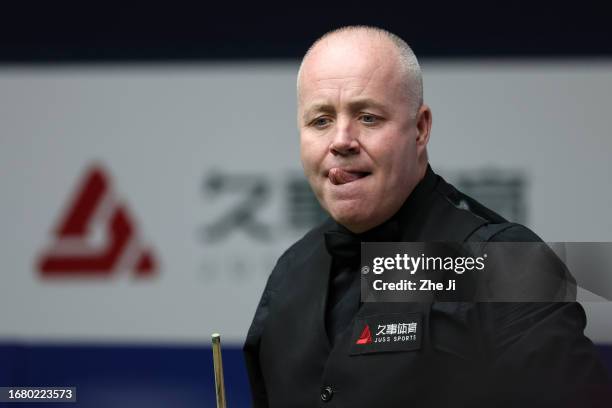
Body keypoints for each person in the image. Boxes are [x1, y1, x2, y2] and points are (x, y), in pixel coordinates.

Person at [243, 26, 609, 407]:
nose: (340, 140)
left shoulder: (502, 262)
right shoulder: (289, 272)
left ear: (420, 129)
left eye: (368, 117)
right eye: (320, 121)